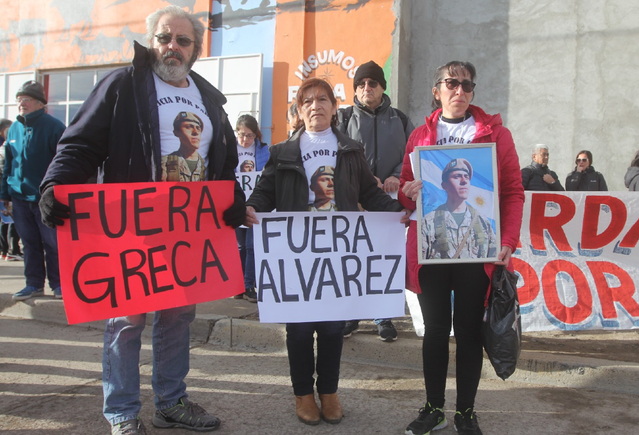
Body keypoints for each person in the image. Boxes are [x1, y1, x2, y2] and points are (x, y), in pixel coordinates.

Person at [39, 5, 244, 434]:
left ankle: (170, 402)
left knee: (177, 317)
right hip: (133, 229)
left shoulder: (209, 99)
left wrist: (233, 197)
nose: (172, 47)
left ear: (196, 50)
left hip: (187, 233)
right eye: (164, 38)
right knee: (126, 322)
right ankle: (123, 413)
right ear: (152, 43)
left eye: (182, 41)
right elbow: (79, 145)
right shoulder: (123, 85)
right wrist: (53, 185)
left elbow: (222, 160)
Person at [244, 77, 406, 427]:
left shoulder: (350, 149)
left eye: (322, 99)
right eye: (307, 101)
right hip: (297, 255)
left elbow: (369, 192)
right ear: (299, 111)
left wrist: (396, 212)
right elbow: (265, 193)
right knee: (300, 330)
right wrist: (252, 208)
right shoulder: (282, 152)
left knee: (333, 328)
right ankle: (303, 394)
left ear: (334, 108)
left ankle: (329, 392)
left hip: (338, 254)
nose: (315, 105)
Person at [400, 61, 525, 435]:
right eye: (452, 83)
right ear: (436, 89)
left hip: (478, 252)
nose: (460, 91)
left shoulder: (496, 135)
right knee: (436, 331)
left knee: (469, 332)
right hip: (432, 249)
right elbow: (408, 191)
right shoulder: (420, 135)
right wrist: (407, 195)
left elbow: (512, 193)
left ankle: (465, 412)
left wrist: (507, 242)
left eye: (467, 85)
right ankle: (433, 408)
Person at [337, 60, 415, 341]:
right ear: (355, 90)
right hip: (355, 201)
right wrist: (364, 181)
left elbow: (412, 153)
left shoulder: (401, 120)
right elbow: (337, 157)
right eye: (361, 84)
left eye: (372, 83)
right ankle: (351, 315)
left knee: (383, 257)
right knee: (354, 259)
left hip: (389, 202)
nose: (366, 88)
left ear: (383, 87)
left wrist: (396, 175)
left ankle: (383, 316)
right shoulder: (343, 119)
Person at [0, 81, 65, 301]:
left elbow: (64, 161)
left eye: (26, 100)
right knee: (28, 244)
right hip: (19, 198)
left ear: (40, 104)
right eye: (19, 100)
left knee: (52, 243)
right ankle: (34, 284)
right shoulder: (14, 129)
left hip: (45, 199)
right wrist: (5, 195)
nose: (21, 104)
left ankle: (58, 284)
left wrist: (58, 191)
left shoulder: (55, 127)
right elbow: (9, 163)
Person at [421, 158, 496, 259]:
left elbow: (494, 257)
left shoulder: (482, 221)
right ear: (444, 185)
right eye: (457, 177)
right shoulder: (429, 222)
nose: (464, 181)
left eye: (467, 177)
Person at [233, 114, 269, 302]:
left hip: (255, 204)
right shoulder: (230, 150)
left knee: (252, 246)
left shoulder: (263, 150)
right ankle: (238, 285)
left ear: (256, 135)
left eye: (249, 136)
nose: (245, 139)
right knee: (239, 247)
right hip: (236, 204)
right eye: (242, 135)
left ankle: (248, 285)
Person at [0, 118, 22, 262]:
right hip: (9, 190)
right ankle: (12, 249)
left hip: (7, 190)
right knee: (12, 220)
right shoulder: (6, 148)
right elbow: (6, 170)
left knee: (7, 221)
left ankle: (6, 250)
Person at [161, 111, 206, 181]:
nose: (196, 132)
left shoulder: (208, 165)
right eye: (188, 127)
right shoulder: (164, 163)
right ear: (176, 132)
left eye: (198, 128)